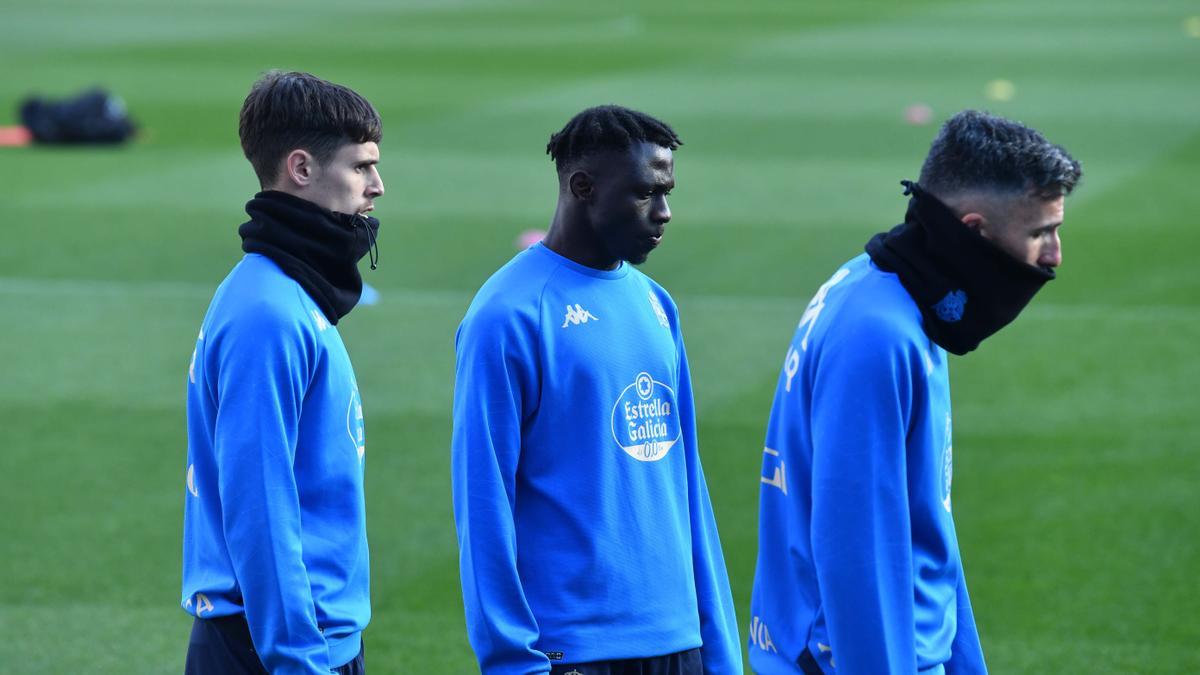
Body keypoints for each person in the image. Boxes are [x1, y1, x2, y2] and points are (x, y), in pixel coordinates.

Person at [747, 110, 1082, 674]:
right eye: (1039, 233)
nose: (1054, 255)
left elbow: (926, 526)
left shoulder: (890, 292)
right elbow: (858, 553)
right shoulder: (879, 337)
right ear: (975, 231)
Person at [451, 105, 743, 675]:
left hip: (678, 642)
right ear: (582, 187)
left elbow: (686, 486)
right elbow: (483, 502)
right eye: (644, 194)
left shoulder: (657, 305)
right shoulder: (507, 315)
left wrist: (719, 645)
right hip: (574, 652)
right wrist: (513, 660)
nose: (664, 213)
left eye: (667, 191)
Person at [181, 71, 385, 675]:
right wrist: (298, 662)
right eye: (361, 167)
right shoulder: (268, 313)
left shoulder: (291, 291)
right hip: (281, 649)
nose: (377, 186)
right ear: (301, 167)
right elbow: (260, 506)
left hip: (308, 637)